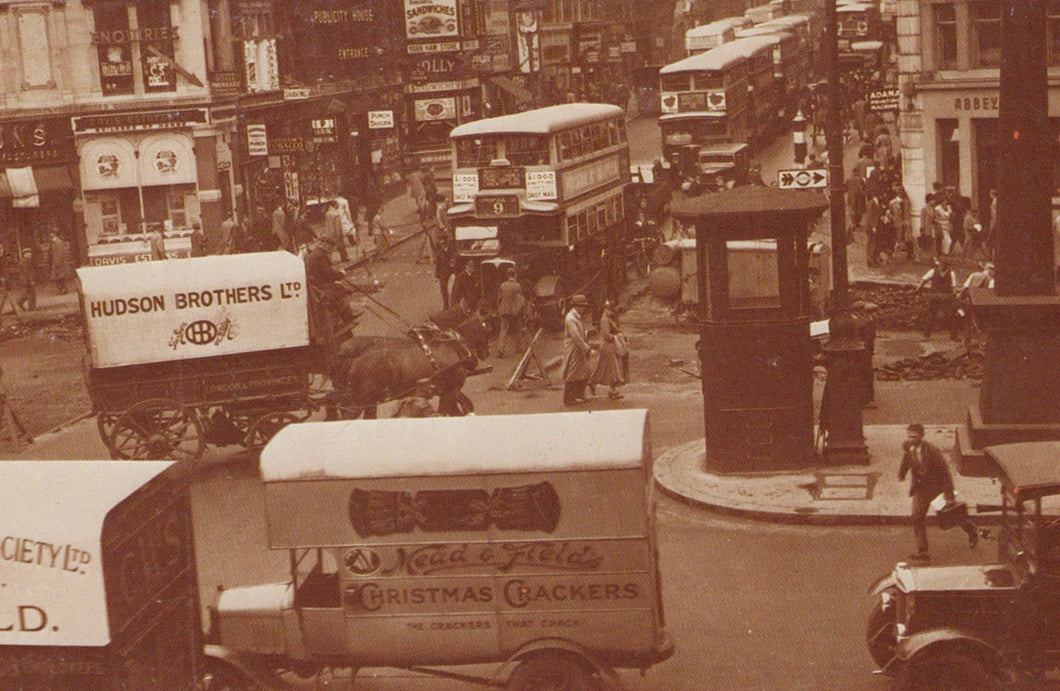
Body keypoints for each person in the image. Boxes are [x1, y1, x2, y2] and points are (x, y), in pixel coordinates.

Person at [899, 423, 979, 561]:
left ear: (921, 436)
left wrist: (949, 495)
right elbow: (907, 461)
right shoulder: (909, 448)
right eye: (909, 436)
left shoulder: (932, 451)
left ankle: (971, 530)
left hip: (936, 489)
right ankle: (923, 551)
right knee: (917, 517)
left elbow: (945, 472)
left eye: (914, 436)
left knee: (951, 515)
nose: (911, 439)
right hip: (920, 490)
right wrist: (902, 473)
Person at [561, 295, 592, 406]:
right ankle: (568, 399)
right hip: (573, 348)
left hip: (579, 347)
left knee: (585, 370)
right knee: (572, 373)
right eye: (582, 306)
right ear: (577, 306)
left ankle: (579, 394)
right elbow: (576, 336)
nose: (584, 308)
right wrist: (586, 348)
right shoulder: (571, 318)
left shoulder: (578, 316)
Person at [915, 258, 958, 339]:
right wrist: (919, 288)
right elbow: (924, 280)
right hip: (934, 295)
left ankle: (953, 335)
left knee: (949, 315)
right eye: (940, 264)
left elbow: (953, 286)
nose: (941, 266)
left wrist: (954, 294)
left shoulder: (951, 273)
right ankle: (926, 335)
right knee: (931, 314)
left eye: (944, 264)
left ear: (947, 266)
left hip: (946, 296)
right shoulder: (933, 271)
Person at [591, 301, 625, 400]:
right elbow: (606, 335)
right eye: (612, 309)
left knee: (608, 369)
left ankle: (611, 389)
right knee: (610, 368)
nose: (613, 312)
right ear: (608, 309)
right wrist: (616, 337)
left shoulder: (608, 318)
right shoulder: (605, 319)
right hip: (608, 346)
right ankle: (593, 383)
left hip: (610, 346)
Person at [496, 267, 527, 358]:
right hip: (515, 312)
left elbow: (499, 299)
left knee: (504, 330)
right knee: (518, 329)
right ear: (515, 275)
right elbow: (521, 300)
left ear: (508, 275)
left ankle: (501, 349)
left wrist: (499, 309)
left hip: (504, 311)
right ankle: (520, 347)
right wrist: (524, 312)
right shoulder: (517, 286)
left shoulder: (503, 285)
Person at [434, 236, 455, 308]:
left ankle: (454, 304)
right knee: (443, 289)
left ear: (446, 243)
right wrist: (436, 276)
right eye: (441, 244)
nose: (442, 245)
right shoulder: (439, 252)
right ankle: (446, 305)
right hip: (443, 272)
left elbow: (454, 261)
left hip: (452, 271)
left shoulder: (452, 250)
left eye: (443, 243)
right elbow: (438, 264)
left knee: (453, 288)